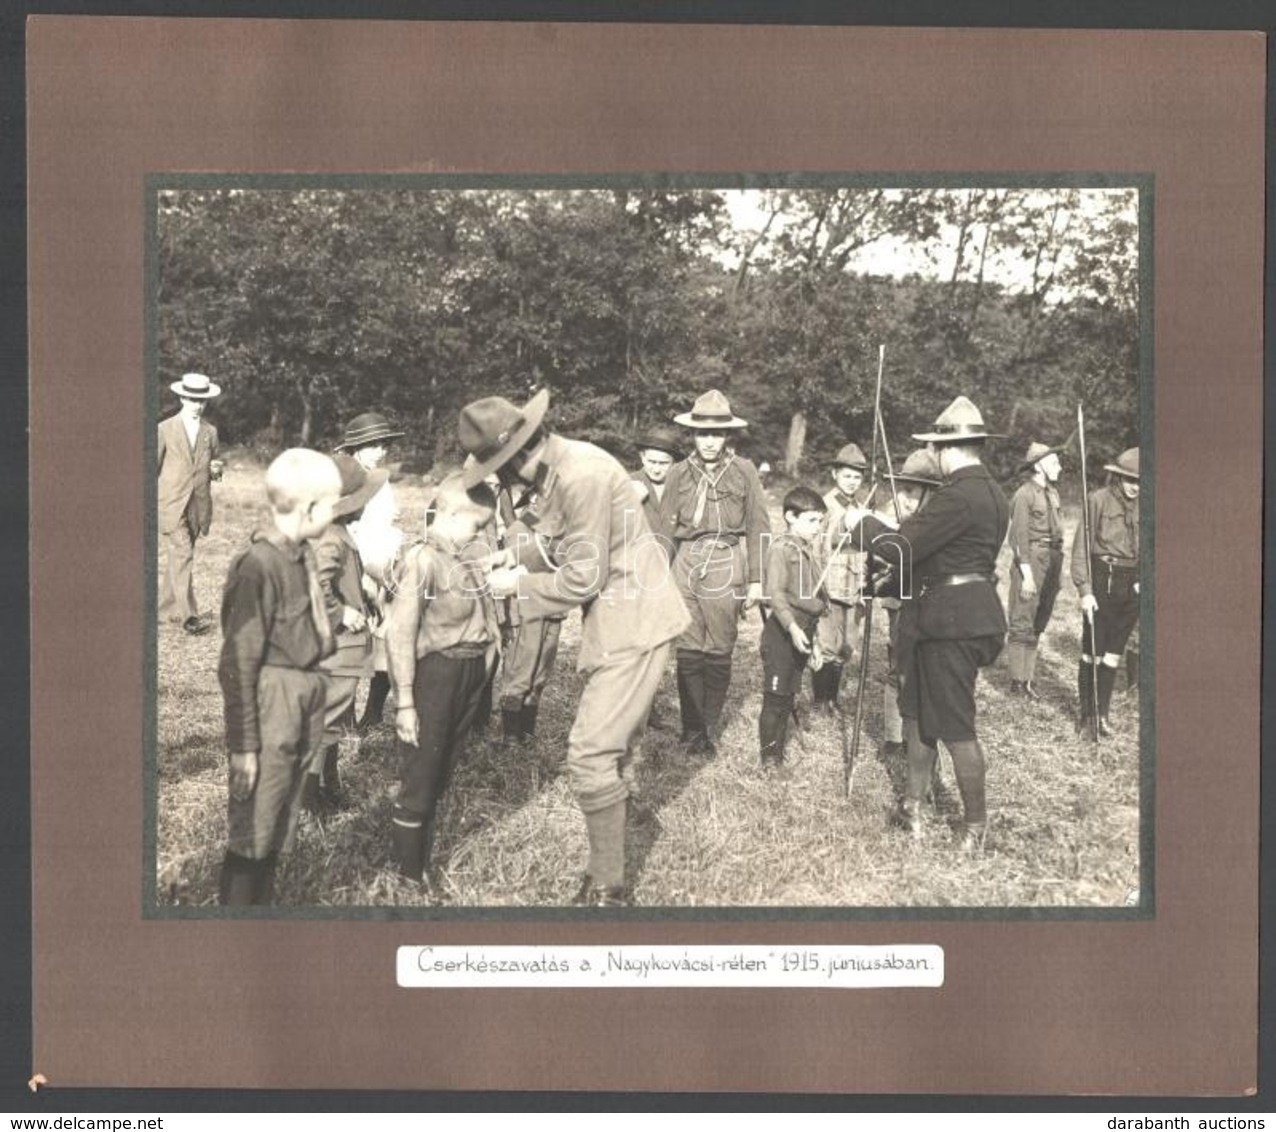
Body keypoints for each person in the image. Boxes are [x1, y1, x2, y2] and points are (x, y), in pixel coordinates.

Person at [467, 389, 689, 906]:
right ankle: (615, 841)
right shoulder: (563, 463)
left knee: (589, 754)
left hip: (632, 620)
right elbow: (556, 542)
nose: (501, 482)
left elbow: (582, 578)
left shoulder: (580, 475)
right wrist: (510, 559)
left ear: (518, 454)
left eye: (499, 470)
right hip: (620, 615)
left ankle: (608, 887)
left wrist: (517, 585)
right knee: (613, 748)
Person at [849, 397, 1009, 851]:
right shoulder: (992, 493)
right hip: (945, 614)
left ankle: (975, 827)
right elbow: (933, 559)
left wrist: (861, 524)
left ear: (947, 448)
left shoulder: (958, 495)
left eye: (935, 448)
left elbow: (899, 548)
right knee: (917, 713)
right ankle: (913, 805)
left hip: (951, 623)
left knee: (955, 725)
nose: (933, 456)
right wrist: (883, 585)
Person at [216, 448, 343, 905]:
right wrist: (245, 747)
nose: (335, 513)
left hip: (303, 696)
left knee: (279, 821)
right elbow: (238, 663)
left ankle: (260, 909)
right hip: (274, 703)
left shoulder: (302, 555)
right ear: (309, 508)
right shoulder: (259, 567)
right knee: (254, 825)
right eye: (333, 504)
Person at [384, 472, 500, 890]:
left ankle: (420, 857)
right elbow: (400, 633)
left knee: (442, 768)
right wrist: (406, 703)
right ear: (450, 514)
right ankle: (408, 875)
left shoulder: (462, 556)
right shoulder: (423, 559)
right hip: (437, 676)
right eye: (476, 525)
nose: (479, 534)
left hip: (467, 674)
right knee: (422, 773)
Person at [656, 389, 770, 754]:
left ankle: (707, 727)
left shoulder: (745, 471)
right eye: (702, 434)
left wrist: (756, 580)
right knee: (688, 647)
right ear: (692, 435)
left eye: (716, 434)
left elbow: (758, 526)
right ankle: (691, 729)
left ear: (727, 437)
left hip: (725, 559)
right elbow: (664, 530)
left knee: (719, 648)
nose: (709, 441)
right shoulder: (677, 473)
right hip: (686, 559)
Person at [305, 454, 386, 814]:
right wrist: (344, 611)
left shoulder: (338, 535)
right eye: (362, 500)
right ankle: (308, 797)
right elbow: (316, 585)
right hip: (337, 647)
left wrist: (365, 588)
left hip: (346, 648)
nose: (366, 507)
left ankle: (327, 783)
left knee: (334, 719)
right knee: (325, 722)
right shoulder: (331, 540)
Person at [333, 411, 406, 732]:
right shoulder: (343, 479)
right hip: (356, 565)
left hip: (384, 562)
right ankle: (343, 712)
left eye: (383, 444)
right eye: (372, 445)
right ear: (354, 448)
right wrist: (365, 574)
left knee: (385, 638)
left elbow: (385, 523)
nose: (380, 450)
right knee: (347, 643)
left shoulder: (380, 478)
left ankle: (373, 710)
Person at [871, 449, 943, 763]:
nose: (905, 497)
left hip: (932, 607)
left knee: (927, 673)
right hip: (900, 602)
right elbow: (879, 555)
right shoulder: (894, 510)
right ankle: (892, 737)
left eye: (911, 490)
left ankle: (924, 741)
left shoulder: (943, 519)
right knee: (898, 667)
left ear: (931, 491)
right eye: (902, 488)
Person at [1070, 447, 1140, 737]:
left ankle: (1103, 715)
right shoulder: (1096, 500)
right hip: (1102, 579)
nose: (1135, 487)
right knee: (1092, 653)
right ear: (1118, 477)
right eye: (1130, 480)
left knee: (1112, 656)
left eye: (1141, 482)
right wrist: (1085, 590)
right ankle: (1087, 716)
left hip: (1132, 584)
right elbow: (1080, 550)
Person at [759, 486, 827, 775]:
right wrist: (793, 628)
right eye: (812, 521)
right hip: (783, 634)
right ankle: (769, 760)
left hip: (804, 632)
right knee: (776, 697)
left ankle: (778, 751)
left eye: (820, 522)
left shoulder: (808, 550)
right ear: (790, 516)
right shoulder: (781, 549)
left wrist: (817, 642)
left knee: (788, 694)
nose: (818, 528)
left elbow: (814, 601)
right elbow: (775, 594)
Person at [157, 372, 224, 635]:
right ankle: (189, 617)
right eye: (193, 399)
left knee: (179, 557)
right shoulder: (164, 429)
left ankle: (164, 610)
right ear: (183, 397)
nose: (198, 405)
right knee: (183, 552)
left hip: (198, 503)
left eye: (203, 400)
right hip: (171, 502)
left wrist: (216, 469)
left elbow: (214, 464)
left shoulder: (211, 432)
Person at [1005, 441, 1066, 699]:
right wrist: (1027, 575)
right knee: (1023, 620)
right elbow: (1018, 538)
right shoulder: (1024, 494)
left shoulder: (1053, 493)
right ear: (1039, 465)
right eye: (1054, 463)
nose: (1060, 467)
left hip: (1052, 559)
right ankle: (1018, 682)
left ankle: (1027, 679)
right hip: (1031, 560)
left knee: (1039, 620)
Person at [812, 442, 870, 711]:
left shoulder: (862, 507)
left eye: (857, 477)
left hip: (854, 586)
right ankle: (821, 699)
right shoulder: (824, 505)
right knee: (827, 643)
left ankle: (833, 698)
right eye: (846, 475)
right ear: (835, 474)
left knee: (846, 645)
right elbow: (815, 545)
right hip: (829, 584)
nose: (852, 482)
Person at [630, 428, 682, 532]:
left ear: (674, 462)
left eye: (663, 463)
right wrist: (631, 502)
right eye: (652, 462)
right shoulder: (627, 484)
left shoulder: (682, 487)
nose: (656, 470)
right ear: (642, 457)